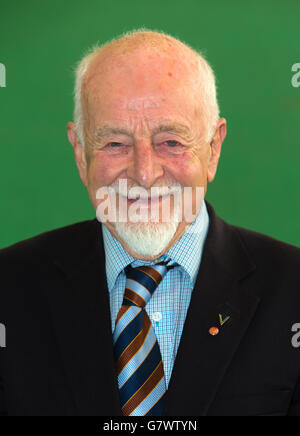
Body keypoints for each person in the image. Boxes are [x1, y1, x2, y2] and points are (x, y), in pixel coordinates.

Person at [0, 29, 300, 417]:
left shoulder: (293, 292)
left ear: (213, 149)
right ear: (80, 153)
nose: (144, 173)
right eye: (115, 144)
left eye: (171, 142)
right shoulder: (8, 289)